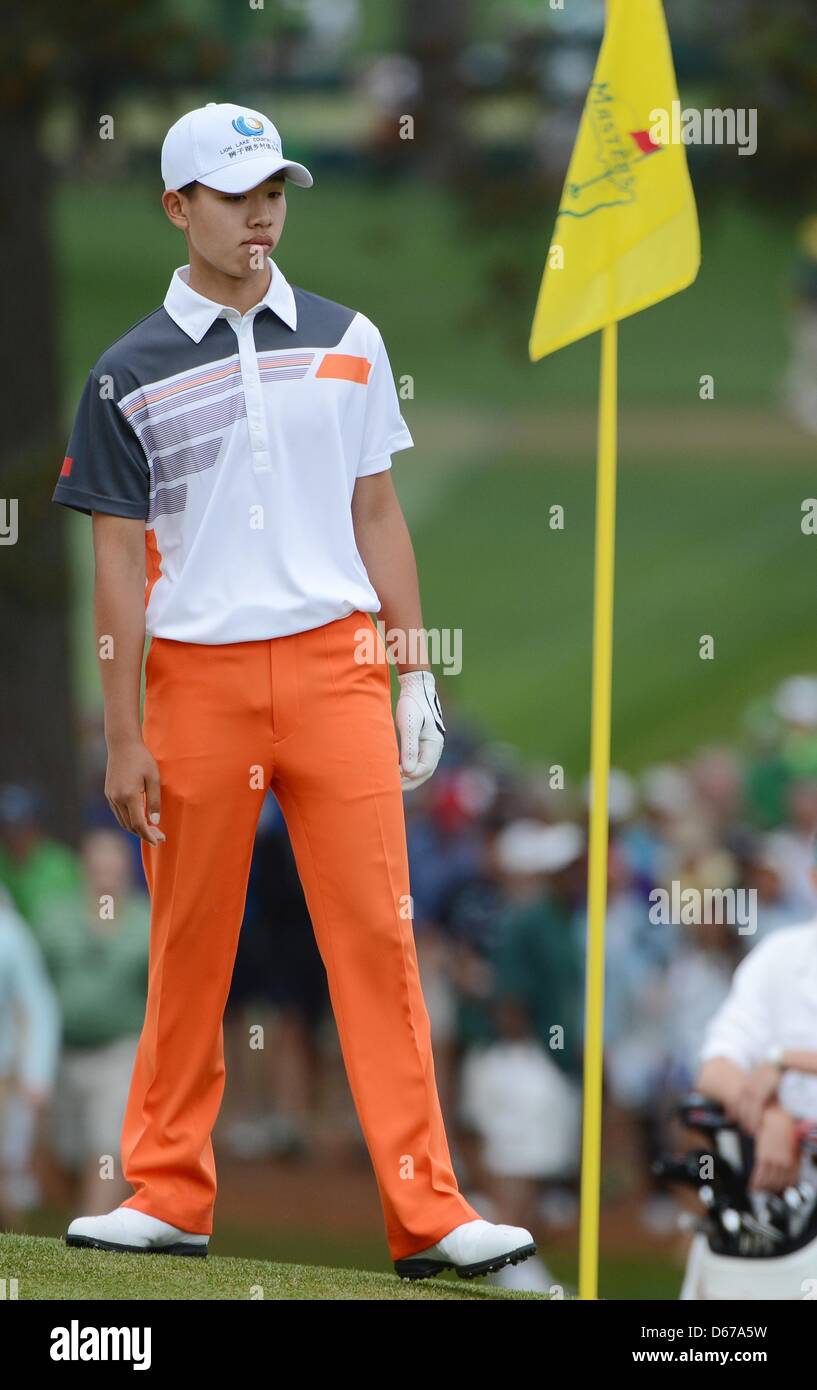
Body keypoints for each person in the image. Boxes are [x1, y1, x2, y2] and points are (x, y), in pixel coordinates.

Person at [51, 101, 535, 1278]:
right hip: (196, 680)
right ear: (178, 208)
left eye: (275, 189)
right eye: (235, 193)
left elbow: (376, 511)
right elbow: (116, 566)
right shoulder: (126, 375)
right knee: (189, 943)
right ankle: (166, 1190)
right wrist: (123, 733)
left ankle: (429, 1211)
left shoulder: (348, 336)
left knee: (378, 936)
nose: (263, 211)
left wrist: (416, 668)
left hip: (337, 664)